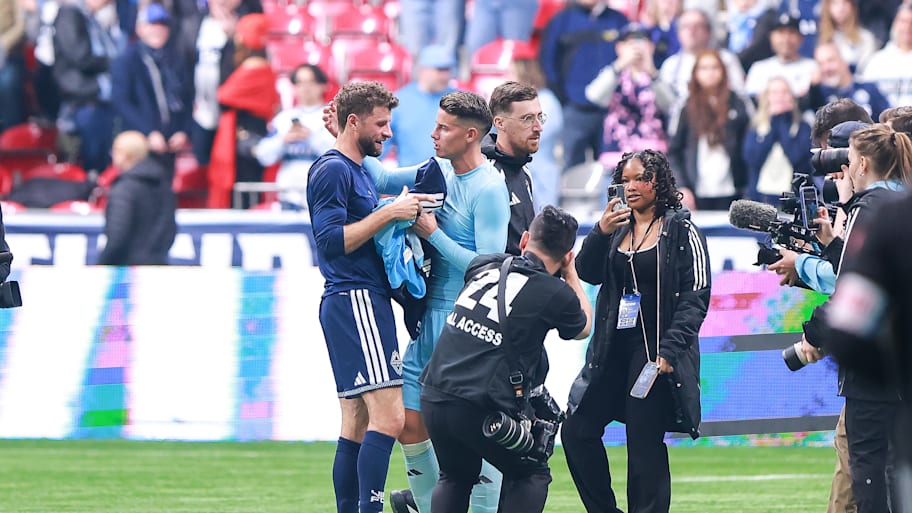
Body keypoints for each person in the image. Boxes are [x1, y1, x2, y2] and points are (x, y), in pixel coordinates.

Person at [359, 92, 510, 513]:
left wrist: (433, 235)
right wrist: (345, 132)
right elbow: (382, 180)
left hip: (469, 324)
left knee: (473, 431)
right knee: (409, 421)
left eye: (444, 127)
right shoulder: (438, 169)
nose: (434, 133)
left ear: (471, 135)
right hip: (430, 322)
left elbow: (489, 269)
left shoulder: (490, 188)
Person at [561, 149, 710, 513]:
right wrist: (599, 231)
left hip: (654, 354)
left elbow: (696, 296)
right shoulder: (618, 227)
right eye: (624, 180)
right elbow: (587, 272)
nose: (629, 187)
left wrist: (670, 351)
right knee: (576, 429)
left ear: (658, 181)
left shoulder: (682, 229)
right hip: (611, 350)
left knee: (643, 444)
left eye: (638, 178)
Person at [419, 205, 593, 513]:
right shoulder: (555, 292)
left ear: (525, 239)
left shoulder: (486, 266)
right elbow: (583, 327)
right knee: (531, 473)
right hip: (477, 404)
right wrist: (571, 273)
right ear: (567, 256)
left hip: (434, 392)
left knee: (456, 477)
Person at [306, 81, 424, 513]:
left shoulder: (354, 167)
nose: (387, 132)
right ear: (353, 121)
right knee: (390, 418)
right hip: (355, 298)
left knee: (356, 421)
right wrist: (387, 213)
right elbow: (330, 241)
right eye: (381, 123)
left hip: (353, 300)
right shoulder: (334, 169)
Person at [801, 123, 911, 513]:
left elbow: (851, 296)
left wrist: (814, 338)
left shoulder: (873, 213)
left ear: (861, 163)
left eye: (847, 161)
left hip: (876, 379)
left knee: (869, 474)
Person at [539, 0, 629, 172]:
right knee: (572, 169)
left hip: (612, 111)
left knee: (614, 171)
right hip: (574, 109)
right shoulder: (562, 20)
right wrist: (564, 98)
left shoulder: (618, 20)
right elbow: (548, 62)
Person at [111, 3, 192, 183]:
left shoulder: (175, 59)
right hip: (139, 143)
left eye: (163, 25)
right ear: (140, 29)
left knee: (165, 189)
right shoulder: (127, 60)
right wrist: (148, 132)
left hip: (169, 142)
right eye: (153, 24)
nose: (159, 30)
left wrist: (182, 130)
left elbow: (186, 98)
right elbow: (121, 101)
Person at [207, 12, 279, 208]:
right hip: (249, 134)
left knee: (244, 189)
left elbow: (224, 95)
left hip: (245, 139)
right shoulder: (264, 66)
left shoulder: (254, 67)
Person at [667, 49, 751, 211]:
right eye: (704, 68)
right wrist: (681, 186)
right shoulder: (685, 106)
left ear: (723, 72)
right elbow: (674, 151)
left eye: (715, 67)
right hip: (696, 190)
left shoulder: (738, 103)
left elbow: (749, 147)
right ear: (695, 73)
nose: (710, 73)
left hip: (733, 190)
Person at [585, 23, 675, 172]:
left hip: (653, 160)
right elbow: (594, 96)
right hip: (617, 160)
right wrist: (620, 65)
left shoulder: (659, 75)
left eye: (641, 43)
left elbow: (670, 105)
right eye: (630, 43)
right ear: (619, 47)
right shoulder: (612, 75)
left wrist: (651, 71)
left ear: (651, 47)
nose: (636, 48)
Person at [52, 0, 124, 174]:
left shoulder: (89, 17)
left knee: (103, 154)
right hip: (82, 96)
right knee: (90, 156)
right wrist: (114, 63)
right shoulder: (69, 13)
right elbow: (79, 55)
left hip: (99, 95)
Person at [255, 63, 335, 210]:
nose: (305, 88)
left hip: (322, 192)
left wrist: (310, 138)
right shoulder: (284, 118)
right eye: (300, 83)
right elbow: (263, 155)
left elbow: (340, 155)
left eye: (311, 82)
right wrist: (283, 141)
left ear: (322, 85)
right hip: (288, 193)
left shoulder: (333, 117)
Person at [97, 131, 177, 266]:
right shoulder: (164, 185)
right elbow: (171, 229)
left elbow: (117, 236)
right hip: (158, 266)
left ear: (125, 154)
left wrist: (102, 265)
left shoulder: (124, 189)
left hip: (126, 272)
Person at [484, 81, 544, 255]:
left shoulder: (525, 172)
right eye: (527, 119)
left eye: (540, 117)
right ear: (500, 123)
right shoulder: (487, 174)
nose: (538, 127)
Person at [505, 47, 564, 213]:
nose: (507, 78)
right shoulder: (508, 105)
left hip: (541, 173)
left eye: (511, 72)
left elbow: (538, 133)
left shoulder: (546, 101)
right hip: (515, 170)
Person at [382, 45, 457, 167]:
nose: (444, 76)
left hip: (453, 181)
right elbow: (379, 144)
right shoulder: (398, 102)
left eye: (447, 70)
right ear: (423, 70)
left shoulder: (461, 102)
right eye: (439, 69)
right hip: (411, 182)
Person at [742, 77, 812, 202]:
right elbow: (754, 160)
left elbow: (797, 158)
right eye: (774, 93)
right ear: (766, 98)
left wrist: (783, 121)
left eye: (785, 92)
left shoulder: (803, 127)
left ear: (792, 97)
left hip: (792, 198)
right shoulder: (755, 127)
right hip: (761, 197)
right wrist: (774, 123)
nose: (780, 97)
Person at [657, 8, 746, 100]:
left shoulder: (726, 59)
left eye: (697, 26)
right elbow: (666, 103)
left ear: (709, 32)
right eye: (686, 26)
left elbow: (740, 95)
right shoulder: (670, 65)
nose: (691, 31)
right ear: (678, 34)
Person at [807, 43, 889, 122]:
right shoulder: (819, 95)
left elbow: (887, 117)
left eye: (830, 61)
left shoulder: (868, 88)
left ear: (843, 60)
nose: (826, 68)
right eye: (821, 64)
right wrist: (813, 87)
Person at [744, 14, 818, 99]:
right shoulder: (758, 68)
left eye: (791, 32)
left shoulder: (812, 67)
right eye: (781, 32)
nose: (786, 39)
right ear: (771, 37)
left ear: (801, 38)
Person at [860, 3, 912, 108]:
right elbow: (864, 96)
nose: (908, 27)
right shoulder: (877, 61)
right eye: (903, 21)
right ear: (895, 23)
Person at [816, 0, 879, 73]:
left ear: (852, 6)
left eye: (845, 3)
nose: (841, 8)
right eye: (835, 3)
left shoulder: (866, 38)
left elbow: (867, 70)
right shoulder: (822, 39)